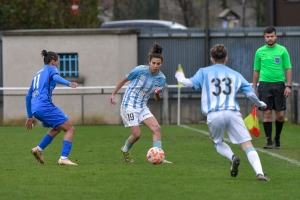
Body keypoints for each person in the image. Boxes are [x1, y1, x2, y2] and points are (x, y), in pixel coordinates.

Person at [175, 44, 270, 181]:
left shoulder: (204, 71)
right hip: (233, 112)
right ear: (226, 58)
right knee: (247, 145)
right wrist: (260, 103)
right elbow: (250, 93)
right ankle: (260, 174)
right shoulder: (235, 74)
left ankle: (232, 157)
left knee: (217, 142)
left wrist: (179, 75)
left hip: (214, 114)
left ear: (211, 59)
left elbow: (187, 83)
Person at [109, 43, 172, 164]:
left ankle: (159, 156)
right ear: (150, 62)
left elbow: (158, 99)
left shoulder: (161, 78)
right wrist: (113, 94)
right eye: (153, 63)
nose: (155, 66)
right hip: (129, 106)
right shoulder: (139, 70)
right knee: (137, 135)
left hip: (142, 107)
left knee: (156, 128)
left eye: (158, 64)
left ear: (161, 64)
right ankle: (125, 149)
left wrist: (158, 93)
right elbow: (124, 80)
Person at [25, 50, 78, 166]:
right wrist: (69, 83)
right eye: (57, 61)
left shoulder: (37, 74)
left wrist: (30, 116)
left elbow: (28, 95)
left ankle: (38, 149)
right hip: (45, 106)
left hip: (36, 109)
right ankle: (64, 158)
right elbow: (56, 77)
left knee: (58, 127)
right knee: (70, 128)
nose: (58, 64)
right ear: (53, 61)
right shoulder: (51, 68)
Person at [253, 26, 292, 149]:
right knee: (267, 113)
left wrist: (288, 86)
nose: (270, 38)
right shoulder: (259, 51)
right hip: (264, 85)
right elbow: (256, 70)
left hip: (279, 84)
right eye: (268, 36)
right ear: (264, 37)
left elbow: (288, 68)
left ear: (276, 36)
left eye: (272, 36)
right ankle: (269, 141)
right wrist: (254, 88)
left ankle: (277, 138)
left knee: (280, 115)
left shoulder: (282, 50)